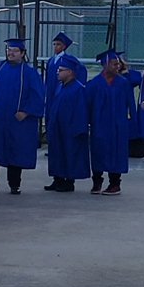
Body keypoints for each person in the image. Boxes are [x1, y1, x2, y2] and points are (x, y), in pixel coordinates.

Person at [0, 39, 45, 195]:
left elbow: (37, 95)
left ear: (23, 54)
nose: (11, 53)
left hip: (18, 120)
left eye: (15, 51)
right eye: (9, 50)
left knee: (15, 152)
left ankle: (14, 184)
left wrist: (26, 111)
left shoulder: (29, 73)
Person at [86, 49, 137, 195]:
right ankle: (97, 182)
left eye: (118, 64)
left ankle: (115, 183)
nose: (117, 67)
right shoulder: (94, 84)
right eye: (114, 64)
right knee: (98, 152)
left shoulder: (123, 83)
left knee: (116, 153)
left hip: (117, 126)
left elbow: (131, 105)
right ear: (105, 64)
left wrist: (132, 124)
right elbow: (87, 106)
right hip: (99, 125)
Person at [44, 54, 90, 192]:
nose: (58, 72)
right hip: (57, 127)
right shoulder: (61, 86)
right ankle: (57, 178)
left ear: (70, 72)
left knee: (69, 154)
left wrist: (78, 129)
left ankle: (69, 181)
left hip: (70, 128)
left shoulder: (78, 89)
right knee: (57, 153)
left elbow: (81, 111)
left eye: (61, 70)